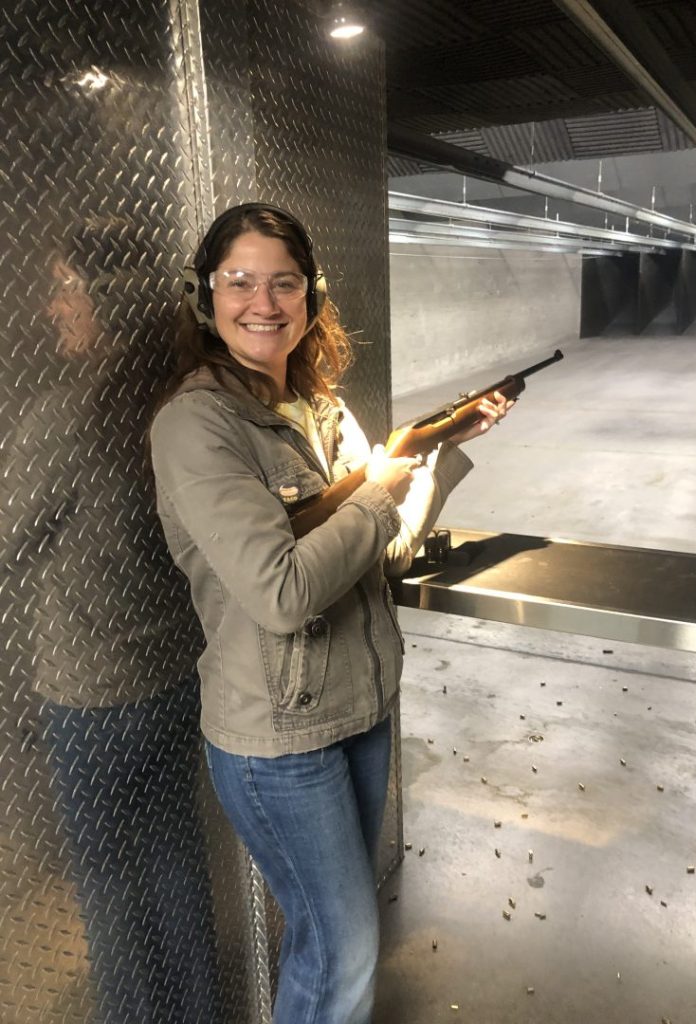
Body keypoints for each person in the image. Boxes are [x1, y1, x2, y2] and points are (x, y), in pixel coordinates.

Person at [149, 202, 511, 1024]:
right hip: (277, 740)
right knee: (342, 950)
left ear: (310, 299)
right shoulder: (195, 425)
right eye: (239, 282)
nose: (263, 303)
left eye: (284, 283)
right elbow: (283, 592)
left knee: (333, 941)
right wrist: (381, 487)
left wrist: (438, 457)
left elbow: (380, 556)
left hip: (363, 710)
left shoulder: (323, 410)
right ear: (207, 297)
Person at [2, 219, 223, 1023]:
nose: (53, 305)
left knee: (106, 889)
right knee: (174, 860)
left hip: (92, 703)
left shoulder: (62, 419)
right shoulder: (186, 405)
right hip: (174, 682)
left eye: (66, 288)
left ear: (108, 300)